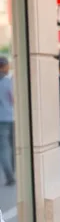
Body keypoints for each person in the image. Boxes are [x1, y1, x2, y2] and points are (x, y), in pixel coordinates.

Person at [0, 56, 15, 187]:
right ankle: (12, 174)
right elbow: (13, 99)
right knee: (9, 148)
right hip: (10, 118)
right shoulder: (7, 82)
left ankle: (10, 175)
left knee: (4, 148)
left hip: (2, 120)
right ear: (3, 66)